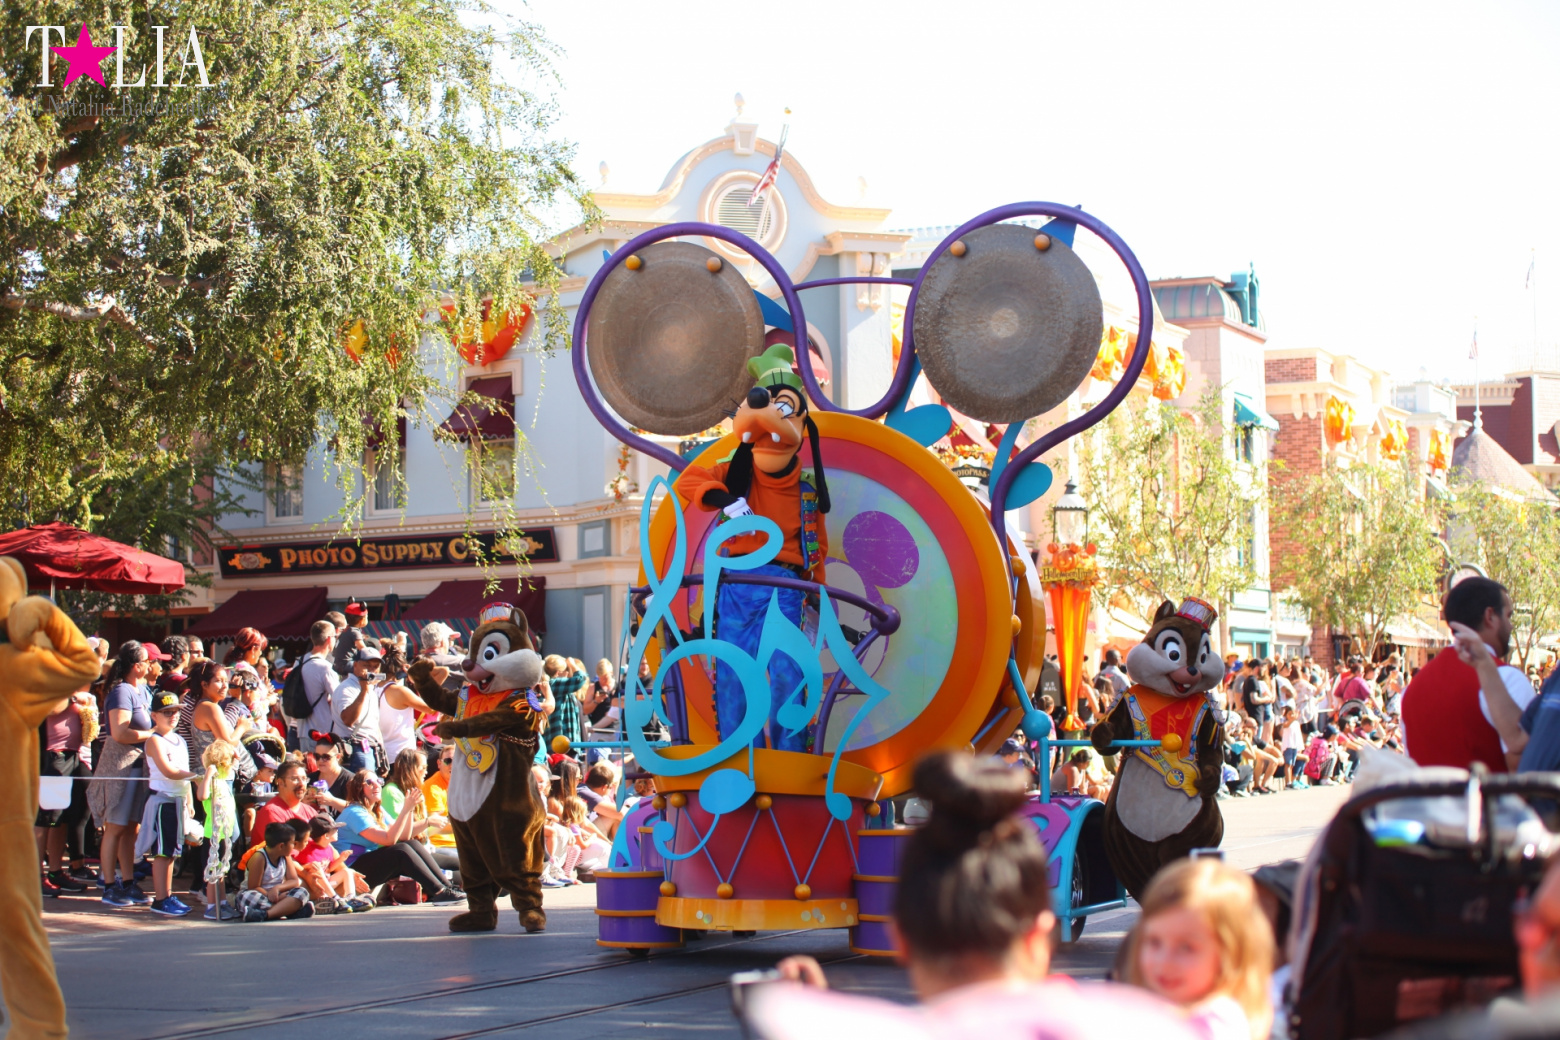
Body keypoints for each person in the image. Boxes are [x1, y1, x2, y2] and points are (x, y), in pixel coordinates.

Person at [744, 753, 1201, 1040]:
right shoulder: (1133, 1023)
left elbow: (788, 1015)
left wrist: (817, 1005)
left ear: (901, 938)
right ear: (1039, 935)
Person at [1122, 857, 1275, 1040]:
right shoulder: (1161, 1009)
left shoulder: (1215, 1023)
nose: (1164, 961)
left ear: (1231, 952)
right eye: (1154, 942)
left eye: (1187, 948)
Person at [1402, 577, 1536, 772]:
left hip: (1424, 801)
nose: (1511, 625)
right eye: (1508, 616)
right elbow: (1525, 771)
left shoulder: (1412, 689)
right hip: (1486, 801)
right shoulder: (1506, 679)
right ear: (1490, 616)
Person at [89, 640, 157, 908]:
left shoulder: (143, 691)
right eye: (148, 661)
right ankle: (108, 886)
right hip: (119, 768)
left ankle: (127, 882)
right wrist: (149, 735)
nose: (153, 665)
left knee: (131, 828)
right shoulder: (121, 692)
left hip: (139, 767)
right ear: (137, 666)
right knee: (115, 827)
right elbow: (119, 733)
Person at [333, 769, 462, 903]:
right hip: (351, 870)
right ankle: (439, 892)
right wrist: (405, 809)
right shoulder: (355, 812)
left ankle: (447, 888)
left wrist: (410, 809)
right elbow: (389, 840)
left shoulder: (377, 810)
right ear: (359, 788)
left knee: (412, 844)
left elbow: (404, 836)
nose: (377, 785)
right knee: (400, 851)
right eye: (369, 782)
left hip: (366, 863)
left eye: (378, 781)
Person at [134, 689, 202, 917]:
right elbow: (169, 771)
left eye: (175, 712)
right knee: (162, 853)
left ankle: (168, 894)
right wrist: (196, 777)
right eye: (166, 712)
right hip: (163, 801)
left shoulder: (179, 740)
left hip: (178, 800)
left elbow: (182, 774)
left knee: (173, 851)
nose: (172, 716)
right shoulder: (154, 741)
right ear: (154, 716)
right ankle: (161, 898)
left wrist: (189, 799)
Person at [36, 683, 95, 897]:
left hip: (72, 755)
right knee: (46, 819)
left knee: (60, 819)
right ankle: (36, 876)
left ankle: (54, 872)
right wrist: (73, 698)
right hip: (53, 757)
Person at [198, 738, 242, 920]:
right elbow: (202, 796)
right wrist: (208, 775)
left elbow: (236, 763)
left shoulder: (226, 779)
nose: (231, 765)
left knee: (222, 871)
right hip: (213, 835)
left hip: (226, 833)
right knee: (214, 873)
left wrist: (234, 754)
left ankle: (222, 903)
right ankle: (211, 906)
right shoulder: (214, 781)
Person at [237, 822, 313, 922]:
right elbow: (254, 887)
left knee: (302, 892)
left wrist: (277, 889)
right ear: (281, 846)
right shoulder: (259, 857)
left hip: (278, 895)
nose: (294, 846)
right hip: (260, 894)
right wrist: (271, 895)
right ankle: (288, 909)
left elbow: (294, 880)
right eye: (292, 843)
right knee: (249, 897)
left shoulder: (286, 856)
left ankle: (265, 914)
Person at [331, 645, 388, 774]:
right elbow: (348, 719)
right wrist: (363, 690)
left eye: (375, 666)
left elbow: (373, 725)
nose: (371, 671)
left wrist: (382, 756)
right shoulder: (347, 688)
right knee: (361, 791)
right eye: (367, 666)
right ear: (355, 665)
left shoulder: (370, 689)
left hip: (370, 749)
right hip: (355, 749)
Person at [376, 644, 432, 762]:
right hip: (402, 756)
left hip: (381, 755)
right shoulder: (400, 691)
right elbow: (431, 708)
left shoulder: (372, 687)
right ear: (402, 669)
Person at [248, 760, 319, 847]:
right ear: (281, 782)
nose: (301, 784)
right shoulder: (271, 812)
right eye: (295, 779)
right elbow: (283, 852)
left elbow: (325, 844)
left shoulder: (310, 811)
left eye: (304, 779)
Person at [292, 620, 339, 750]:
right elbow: (339, 698)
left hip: (302, 730)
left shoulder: (299, 662)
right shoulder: (325, 668)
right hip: (322, 731)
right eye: (335, 637)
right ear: (329, 639)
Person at [420, 746, 462, 882]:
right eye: (448, 760)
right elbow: (435, 824)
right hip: (441, 845)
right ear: (439, 764)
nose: (453, 765)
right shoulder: (433, 787)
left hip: (462, 844)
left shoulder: (465, 783)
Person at [542, 655, 589, 754]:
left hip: (560, 742)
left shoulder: (555, 686)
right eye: (566, 670)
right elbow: (581, 678)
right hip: (561, 743)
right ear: (558, 673)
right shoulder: (553, 684)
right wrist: (572, 664)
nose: (568, 673)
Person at [577, 762, 624, 838]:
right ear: (604, 787)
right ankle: (617, 848)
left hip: (585, 829)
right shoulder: (586, 792)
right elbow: (620, 812)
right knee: (614, 815)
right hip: (582, 832)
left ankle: (616, 847)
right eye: (611, 786)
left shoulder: (585, 789)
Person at [309, 737, 352, 812]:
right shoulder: (310, 778)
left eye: (326, 757)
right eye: (317, 756)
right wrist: (303, 802)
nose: (321, 760)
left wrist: (332, 801)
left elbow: (359, 810)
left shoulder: (350, 779)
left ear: (338, 757)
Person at [330, 601, 368, 676]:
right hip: (346, 664)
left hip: (338, 664)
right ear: (362, 620)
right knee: (368, 668)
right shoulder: (354, 632)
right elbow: (363, 649)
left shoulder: (347, 629)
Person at [1278, 706, 1307, 789]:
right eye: (1289, 714)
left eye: (1293, 714)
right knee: (1288, 764)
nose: (1291, 715)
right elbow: (1286, 726)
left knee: (1291, 765)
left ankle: (1292, 781)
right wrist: (1292, 719)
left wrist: (1300, 747)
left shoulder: (1296, 723)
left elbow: (1298, 736)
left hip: (1294, 746)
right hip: (1288, 746)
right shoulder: (1285, 722)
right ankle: (1288, 783)